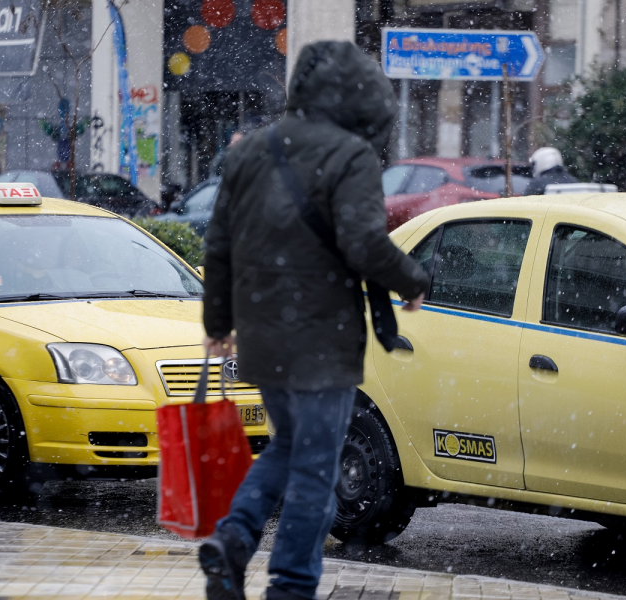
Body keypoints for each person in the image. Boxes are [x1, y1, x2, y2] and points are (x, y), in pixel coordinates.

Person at [200, 40, 431, 600]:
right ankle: (292, 584)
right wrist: (412, 279)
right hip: (322, 338)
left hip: (262, 334)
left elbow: (220, 244)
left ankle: (233, 540)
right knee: (316, 469)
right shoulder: (350, 154)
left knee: (287, 447)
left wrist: (219, 322)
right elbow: (363, 244)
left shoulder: (250, 150)